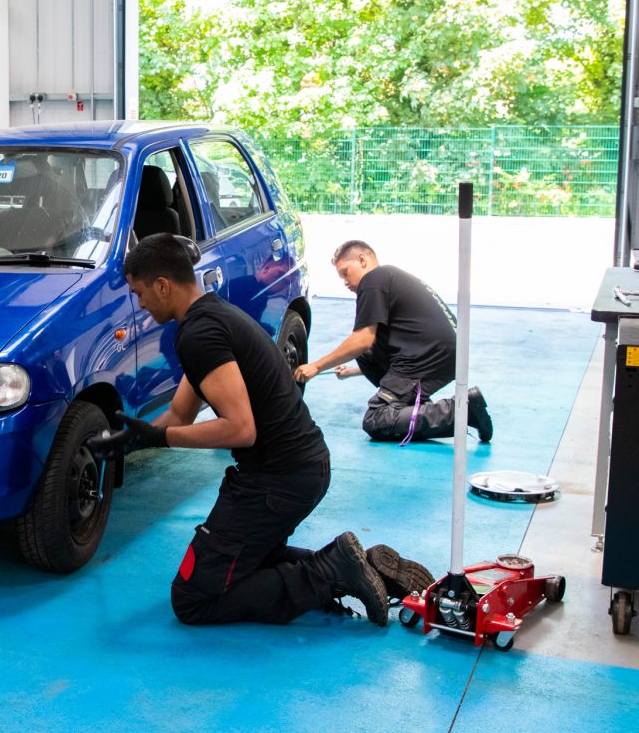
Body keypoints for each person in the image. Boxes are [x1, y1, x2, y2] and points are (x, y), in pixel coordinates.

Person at [94, 233, 432, 626]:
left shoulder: (200, 335)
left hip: (276, 481)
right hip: (300, 468)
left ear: (163, 285)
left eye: (139, 293)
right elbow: (181, 414)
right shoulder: (213, 316)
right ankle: (364, 565)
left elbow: (240, 430)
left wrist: (157, 438)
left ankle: (331, 573)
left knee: (193, 598)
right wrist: (131, 440)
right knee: (251, 561)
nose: (140, 305)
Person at [294, 240, 493, 444]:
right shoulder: (390, 277)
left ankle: (461, 411)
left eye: (345, 273)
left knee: (376, 419)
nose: (345, 282)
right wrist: (354, 371)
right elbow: (375, 345)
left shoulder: (373, 280)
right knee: (366, 354)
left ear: (362, 260)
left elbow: (361, 339)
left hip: (427, 355)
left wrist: (316, 366)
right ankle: (413, 409)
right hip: (443, 353)